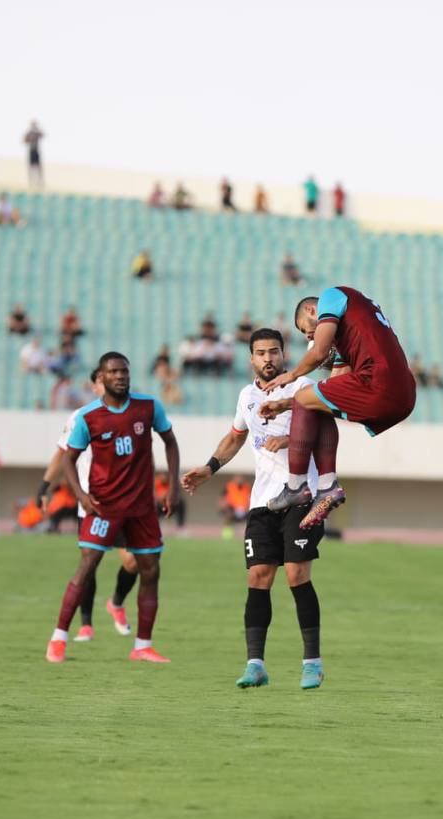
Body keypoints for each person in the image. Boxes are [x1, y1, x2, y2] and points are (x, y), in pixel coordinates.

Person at [181, 328, 326, 689]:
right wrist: (209, 467)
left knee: (296, 574)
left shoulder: (302, 388)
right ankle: (255, 664)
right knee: (258, 578)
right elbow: (235, 437)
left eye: (274, 351)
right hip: (262, 502)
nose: (268, 358)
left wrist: (292, 440)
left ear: (283, 354)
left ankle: (312, 663)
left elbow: (326, 434)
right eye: (260, 353)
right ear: (250, 358)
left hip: (301, 496)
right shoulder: (246, 396)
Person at [48, 353, 181, 664]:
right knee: (87, 566)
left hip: (141, 509)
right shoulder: (88, 417)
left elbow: (170, 441)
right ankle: (58, 639)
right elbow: (68, 458)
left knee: (150, 571)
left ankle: (142, 645)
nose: (121, 376)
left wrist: (173, 487)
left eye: (124, 371)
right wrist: (80, 494)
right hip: (104, 508)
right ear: (102, 378)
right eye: (113, 372)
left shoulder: (148, 407)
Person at [258, 288, 416, 530]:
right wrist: (284, 405)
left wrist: (290, 376)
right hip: (403, 394)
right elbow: (326, 392)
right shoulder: (351, 336)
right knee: (317, 402)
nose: (307, 335)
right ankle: (327, 487)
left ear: (312, 310)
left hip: (379, 380)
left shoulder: (333, 295)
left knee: (305, 397)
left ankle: (297, 486)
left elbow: (318, 352)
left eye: (305, 328)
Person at [38, 386, 142, 640]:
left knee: (133, 560)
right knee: (89, 562)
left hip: (124, 502)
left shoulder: (132, 415)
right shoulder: (80, 417)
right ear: (96, 384)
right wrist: (44, 486)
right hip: (91, 502)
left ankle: (116, 603)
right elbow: (63, 454)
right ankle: (86, 624)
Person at [24, 121, 45, 186]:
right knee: (31, 167)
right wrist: (30, 138)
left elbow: (42, 135)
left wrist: (37, 131)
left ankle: (40, 181)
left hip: (36, 151)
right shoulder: (29, 133)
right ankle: (31, 181)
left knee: (39, 167)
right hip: (31, 151)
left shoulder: (37, 133)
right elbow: (25, 141)